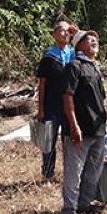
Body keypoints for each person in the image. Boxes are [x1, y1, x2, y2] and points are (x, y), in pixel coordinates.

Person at [61, 29, 107, 214]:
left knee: (93, 169)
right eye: (88, 39)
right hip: (80, 129)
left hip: (98, 128)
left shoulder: (95, 67)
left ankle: (85, 204)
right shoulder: (74, 66)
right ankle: (69, 210)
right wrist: (74, 125)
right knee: (74, 171)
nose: (94, 41)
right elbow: (67, 96)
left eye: (95, 38)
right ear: (78, 45)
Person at [35, 19, 78, 184]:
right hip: (51, 106)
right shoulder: (48, 57)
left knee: (69, 140)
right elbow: (42, 84)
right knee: (49, 141)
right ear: (54, 35)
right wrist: (41, 109)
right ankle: (48, 174)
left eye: (68, 31)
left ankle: (70, 173)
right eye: (62, 30)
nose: (66, 33)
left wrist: (77, 33)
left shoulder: (73, 54)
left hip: (69, 107)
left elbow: (88, 50)